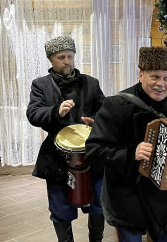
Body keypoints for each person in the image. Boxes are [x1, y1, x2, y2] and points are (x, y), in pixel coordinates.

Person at [85, 46, 167, 241]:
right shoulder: (117, 105)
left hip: (163, 200)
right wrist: (132, 152)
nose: (161, 84)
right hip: (126, 196)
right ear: (141, 75)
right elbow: (94, 149)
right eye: (154, 77)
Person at [26, 36, 106, 242]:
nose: (67, 61)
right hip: (56, 158)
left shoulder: (91, 83)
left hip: (92, 156)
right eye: (61, 57)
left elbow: (105, 112)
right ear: (51, 60)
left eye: (70, 56)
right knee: (60, 208)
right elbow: (33, 114)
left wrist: (94, 122)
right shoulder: (41, 85)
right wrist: (56, 112)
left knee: (99, 204)